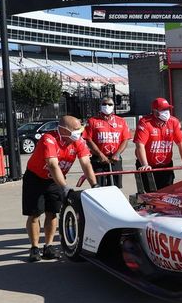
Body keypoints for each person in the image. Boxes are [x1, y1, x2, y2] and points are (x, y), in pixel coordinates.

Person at [23, 115, 97, 262]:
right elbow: (52, 165)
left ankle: (49, 246)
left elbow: (86, 164)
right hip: (36, 178)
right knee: (35, 214)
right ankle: (34, 248)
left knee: (52, 213)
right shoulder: (49, 139)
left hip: (55, 180)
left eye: (80, 129)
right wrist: (64, 187)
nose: (79, 132)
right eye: (76, 129)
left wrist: (95, 185)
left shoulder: (78, 141)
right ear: (64, 130)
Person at [134, 97, 182, 191]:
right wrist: (145, 164)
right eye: (163, 109)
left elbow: (181, 143)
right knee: (150, 196)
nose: (167, 112)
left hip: (166, 166)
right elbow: (140, 145)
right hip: (148, 166)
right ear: (155, 111)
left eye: (168, 109)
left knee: (167, 193)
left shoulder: (174, 122)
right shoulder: (145, 122)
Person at [84, 96, 131, 188]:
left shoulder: (121, 121)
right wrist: (100, 154)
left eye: (110, 104)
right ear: (100, 106)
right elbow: (88, 140)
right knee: (98, 187)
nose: (107, 106)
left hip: (115, 159)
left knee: (115, 187)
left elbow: (125, 140)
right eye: (104, 104)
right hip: (98, 159)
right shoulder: (92, 121)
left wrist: (117, 154)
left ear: (113, 106)